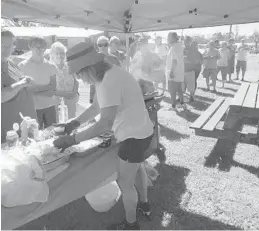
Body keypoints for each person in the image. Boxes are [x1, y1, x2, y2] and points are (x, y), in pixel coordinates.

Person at [53, 41, 154, 230]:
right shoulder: (108, 74)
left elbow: (105, 122)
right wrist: (73, 123)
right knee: (138, 168)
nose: (79, 78)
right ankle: (145, 205)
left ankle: (131, 224)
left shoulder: (109, 81)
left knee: (125, 183)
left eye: (79, 73)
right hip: (143, 131)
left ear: (88, 68)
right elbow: (96, 107)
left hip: (133, 137)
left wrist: (73, 139)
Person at [1, 28, 37, 143]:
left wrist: (26, 82)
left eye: (9, 45)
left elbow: (18, 86)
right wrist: (21, 83)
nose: (6, 48)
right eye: (2, 44)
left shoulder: (11, 63)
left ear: (14, 45)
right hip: (9, 132)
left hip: (25, 126)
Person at [18, 36, 58, 129]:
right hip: (32, 108)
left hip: (50, 106)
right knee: (35, 134)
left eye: (42, 47)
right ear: (30, 47)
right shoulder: (22, 66)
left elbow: (53, 86)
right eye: (36, 46)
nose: (40, 49)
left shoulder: (51, 66)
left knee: (52, 132)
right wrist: (45, 90)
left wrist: (35, 89)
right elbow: (22, 89)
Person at [49, 42, 79, 119]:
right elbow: (50, 88)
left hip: (71, 100)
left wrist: (74, 93)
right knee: (58, 123)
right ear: (52, 54)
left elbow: (76, 82)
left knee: (71, 121)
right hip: (56, 101)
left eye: (62, 53)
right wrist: (66, 94)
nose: (60, 55)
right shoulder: (49, 67)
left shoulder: (70, 66)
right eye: (57, 53)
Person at [89, 36, 121, 103]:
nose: (103, 47)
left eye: (105, 45)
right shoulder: (93, 60)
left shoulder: (114, 59)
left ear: (109, 45)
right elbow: (92, 80)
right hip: (99, 94)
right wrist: (91, 96)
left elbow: (120, 76)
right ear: (97, 46)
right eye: (100, 45)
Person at [165, 32, 185, 109]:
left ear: (173, 38)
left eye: (168, 37)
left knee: (172, 90)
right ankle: (182, 103)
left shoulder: (175, 47)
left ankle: (173, 106)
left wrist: (171, 71)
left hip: (174, 72)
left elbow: (174, 60)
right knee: (179, 89)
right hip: (178, 72)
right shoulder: (178, 45)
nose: (167, 39)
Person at [183, 36, 197, 102]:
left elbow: (194, 61)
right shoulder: (182, 49)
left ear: (190, 42)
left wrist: (185, 60)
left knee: (191, 86)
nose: (186, 42)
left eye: (188, 41)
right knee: (182, 85)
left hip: (190, 70)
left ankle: (192, 97)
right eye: (185, 41)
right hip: (182, 70)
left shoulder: (193, 50)